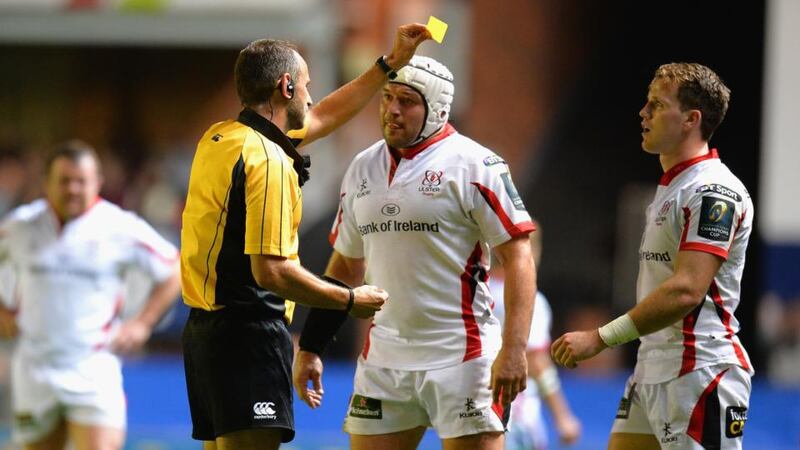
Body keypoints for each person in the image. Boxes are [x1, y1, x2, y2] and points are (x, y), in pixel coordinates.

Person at [179, 24, 432, 450]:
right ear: (286, 85)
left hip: (205, 335)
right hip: (248, 336)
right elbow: (273, 273)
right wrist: (349, 301)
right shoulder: (269, 161)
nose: (311, 97)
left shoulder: (220, 138)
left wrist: (389, 65)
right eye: (307, 85)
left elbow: (323, 116)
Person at [293, 55, 537, 450]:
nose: (391, 109)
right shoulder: (361, 168)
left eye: (406, 100)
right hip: (384, 361)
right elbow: (345, 268)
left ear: (437, 108)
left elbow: (519, 257)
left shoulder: (477, 164)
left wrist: (513, 349)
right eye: (386, 97)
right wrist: (311, 347)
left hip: (464, 358)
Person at [551, 63, 754, 450]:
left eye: (657, 106)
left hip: (700, 369)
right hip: (654, 363)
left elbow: (686, 291)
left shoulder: (713, 190)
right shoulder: (673, 186)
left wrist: (601, 337)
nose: (643, 114)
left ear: (692, 119)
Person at [0, 140, 181, 450]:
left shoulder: (120, 227)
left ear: (97, 182)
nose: (72, 189)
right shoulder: (20, 227)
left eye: (81, 181)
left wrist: (143, 323)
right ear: (47, 182)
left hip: (93, 365)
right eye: (64, 180)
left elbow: (174, 269)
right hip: (34, 366)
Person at [489, 225, 581, 450]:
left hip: (471, 408)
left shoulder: (476, 290)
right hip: (515, 414)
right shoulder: (531, 300)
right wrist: (563, 416)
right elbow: (535, 360)